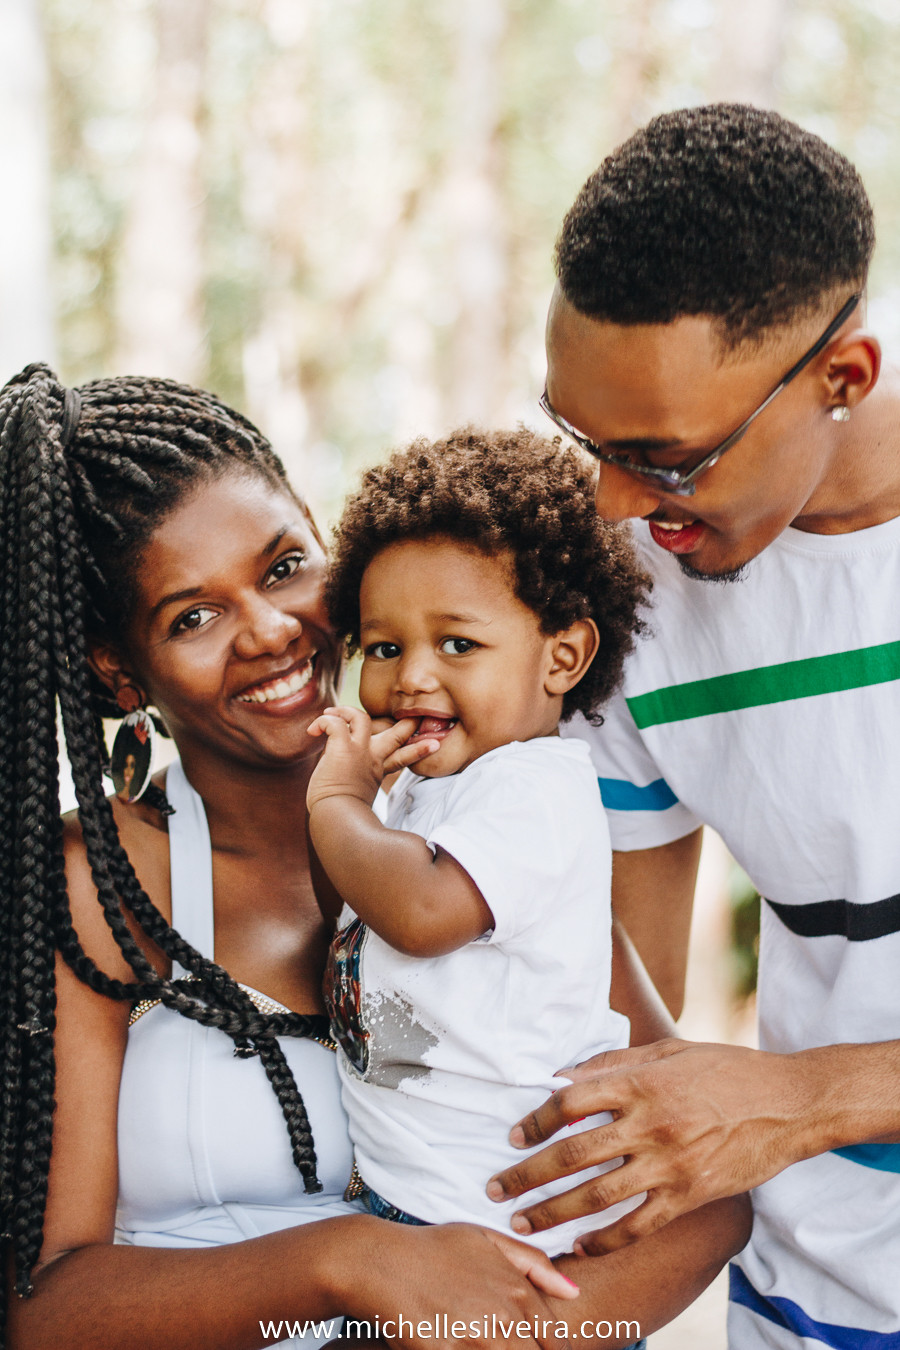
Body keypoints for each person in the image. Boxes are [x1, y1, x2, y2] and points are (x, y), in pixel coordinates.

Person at [0, 364, 749, 1350]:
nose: (270, 631)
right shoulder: (97, 889)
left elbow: (701, 1190)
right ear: (115, 666)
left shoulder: (483, 827)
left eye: (280, 568)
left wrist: (521, 1340)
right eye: (194, 616)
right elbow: (49, 1312)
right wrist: (350, 1262)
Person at [483, 104, 900, 1349]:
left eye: (666, 457)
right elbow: (608, 992)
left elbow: (778, 1103)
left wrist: (807, 1099)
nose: (614, 501)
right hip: (806, 1308)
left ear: (845, 378)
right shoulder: (629, 593)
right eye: (583, 438)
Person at [309, 430, 676, 1261]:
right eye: (384, 647)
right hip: (421, 1198)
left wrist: (336, 797)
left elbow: (420, 912)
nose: (411, 677)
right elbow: (354, 904)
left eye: (458, 645)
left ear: (564, 655)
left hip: (499, 1222)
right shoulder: (437, 785)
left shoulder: (535, 790)